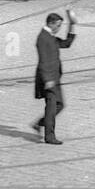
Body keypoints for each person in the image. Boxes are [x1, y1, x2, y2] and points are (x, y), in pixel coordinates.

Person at [32, 10, 76, 145]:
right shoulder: (43, 38)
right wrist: (48, 80)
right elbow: (44, 61)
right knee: (51, 107)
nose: (59, 29)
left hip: (54, 79)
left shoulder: (50, 36)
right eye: (58, 26)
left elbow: (66, 43)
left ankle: (40, 123)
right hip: (48, 80)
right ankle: (49, 137)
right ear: (51, 24)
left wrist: (72, 25)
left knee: (60, 105)